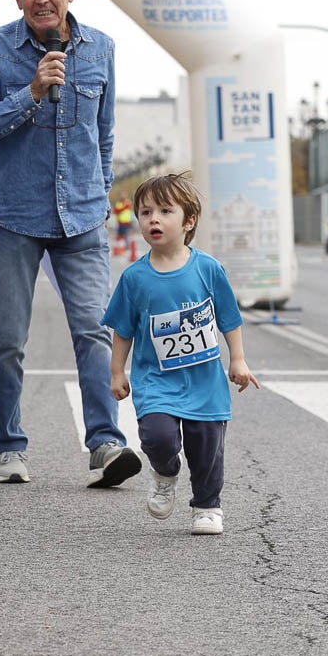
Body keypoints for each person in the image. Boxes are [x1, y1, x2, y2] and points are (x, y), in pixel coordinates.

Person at [0, 0, 140, 487]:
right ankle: (8, 447)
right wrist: (30, 92)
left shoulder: (102, 48)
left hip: (82, 216)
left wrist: (100, 193)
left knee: (94, 330)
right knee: (8, 337)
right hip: (15, 216)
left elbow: (103, 134)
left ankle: (106, 444)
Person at [103, 172, 259, 536]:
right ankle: (165, 472)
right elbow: (122, 330)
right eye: (145, 212)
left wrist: (237, 359)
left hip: (204, 383)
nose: (153, 218)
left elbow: (229, 318)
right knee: (157, 436)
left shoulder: (207, 269)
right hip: (156, 381)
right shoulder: (135, 278)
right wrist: (117, 372)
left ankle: (207, 505)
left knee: (207, 447)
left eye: (164, 211)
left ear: (189, 221)